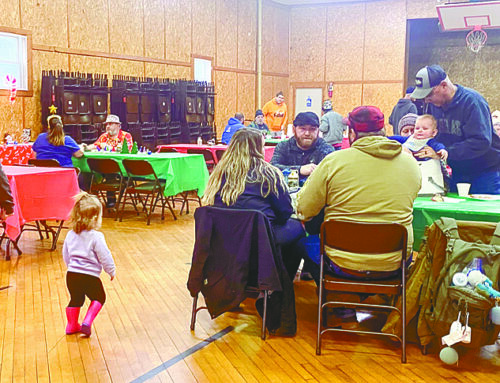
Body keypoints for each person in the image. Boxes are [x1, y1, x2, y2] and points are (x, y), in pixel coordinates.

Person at [296, 105, 421, 327]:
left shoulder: (334, 162)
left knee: (302, 240)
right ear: (383, 130)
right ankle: (384, 300)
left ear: (351, 133)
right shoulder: (410, 163)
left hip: (342, 261)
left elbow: (304, 209)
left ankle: (340, 304)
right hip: (394, 261)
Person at [203, 128, 307, 335]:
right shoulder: (268, 174)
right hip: (259, 242)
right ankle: (279, 276)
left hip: (225, 244)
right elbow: (285, 211)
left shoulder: (219, 175)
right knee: (298, 229)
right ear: (258, 148)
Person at [411, 64, 500, 194]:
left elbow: (481, 142)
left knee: (484, 213)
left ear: (443, 86)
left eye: (429, 94)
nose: (426, 99)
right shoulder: (433, 105)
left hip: (484, 172)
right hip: (458, 170)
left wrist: (444, 152)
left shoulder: (472, 102)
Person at [63, 192, 115, 337]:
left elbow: (66, 254)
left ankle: (71, 325)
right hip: (90, 276)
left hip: (72, 275)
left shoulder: (70, 235)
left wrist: (71, 267)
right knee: (99, 297)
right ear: (96, 218)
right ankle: (87, 321)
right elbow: (105, 255)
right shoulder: (96, 236)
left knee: (76, 298)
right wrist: (111, 270)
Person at [271, 112, 334, 184]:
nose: (307, 133)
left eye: (312, 129)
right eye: (303, 129)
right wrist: (299, 169)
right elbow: (273, 168)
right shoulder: (283, 147)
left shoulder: (326, 149)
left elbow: (331, 173)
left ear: (318, 131)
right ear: (294, 130)